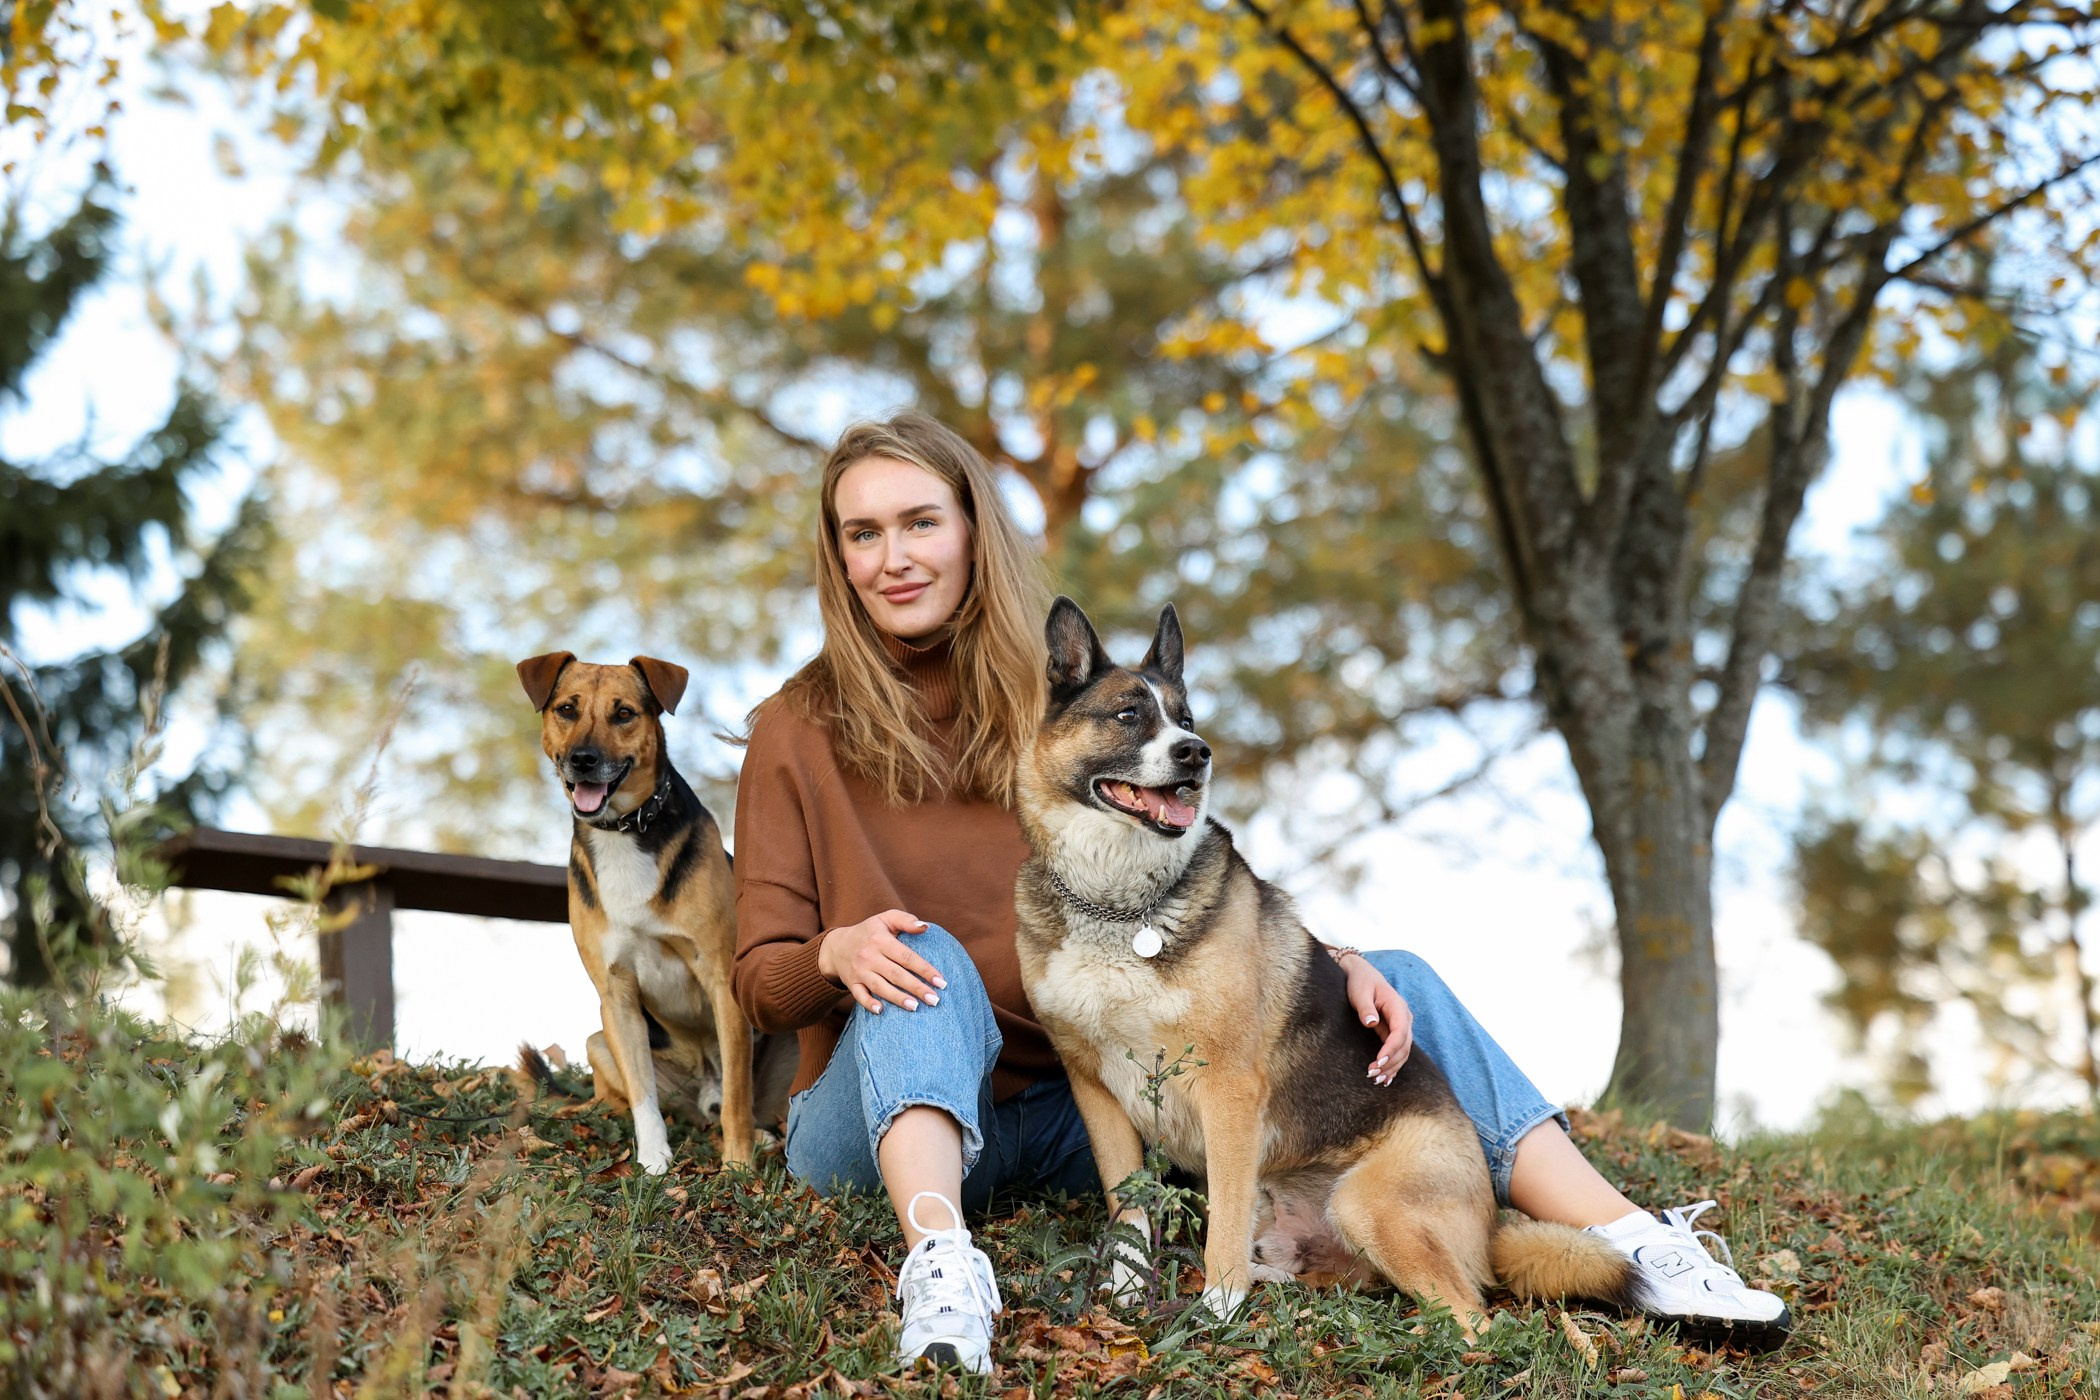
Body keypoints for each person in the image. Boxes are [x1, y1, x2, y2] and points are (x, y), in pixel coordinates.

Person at [731, 411, 1788, 1375]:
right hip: (880, 1110)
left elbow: (1184, 870)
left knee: (1393, 977)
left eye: (920, 520)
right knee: (930, 963)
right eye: (862, 533)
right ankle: (945, 1263)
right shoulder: (794, 726)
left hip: (1063, 1098)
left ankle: (1635, 1239)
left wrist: (1325, 966)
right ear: (838, 555)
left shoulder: (1063, 699)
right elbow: (758, 982)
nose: (894, 556)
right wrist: (832, 954)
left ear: (972, 529)